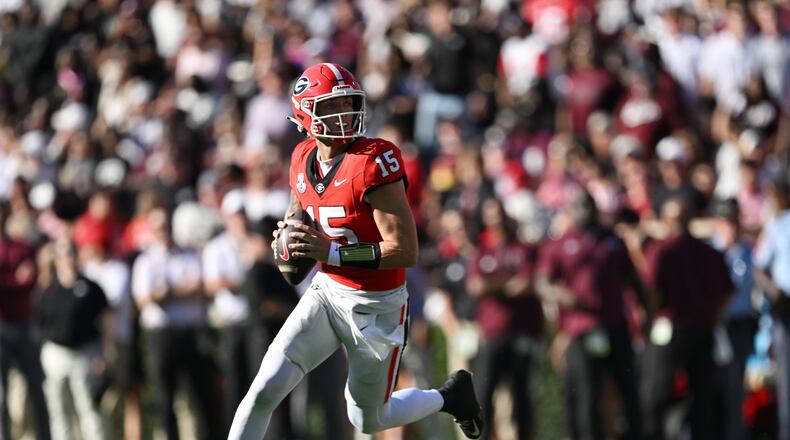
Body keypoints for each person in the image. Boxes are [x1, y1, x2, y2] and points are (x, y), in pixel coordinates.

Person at [229, 63, 483, 439]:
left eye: (348, 104)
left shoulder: (374, 161)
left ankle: (449, 398)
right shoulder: (301, 157)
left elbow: (405, 249)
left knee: (367, 419)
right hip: (327, 293)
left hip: (377, 306)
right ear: (305, 114)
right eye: (331, 107)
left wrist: (328, 252)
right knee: (264, 388)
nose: (344, 114)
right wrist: (286, 237)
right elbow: (297, 213)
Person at [536, 191, 644, 440]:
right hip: (580, 328)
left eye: (589, 205)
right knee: (585, 394)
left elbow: (631, 279)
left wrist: (644, 312)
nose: (586, 210)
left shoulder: (612, 240)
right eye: (580, 205)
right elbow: (542, 282)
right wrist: (562, 295)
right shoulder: (561, 242)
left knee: (628, 390)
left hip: (615, 324)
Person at [641, 197, 733, 440]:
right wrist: (713, 314)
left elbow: (652, 290)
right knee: (701, 397)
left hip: (671, 329)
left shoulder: (661, 250)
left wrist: (654, 315)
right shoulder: (709, 252)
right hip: (703, 328)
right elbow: (727, 290)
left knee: (656, 394)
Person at [0, 201, 50, 440]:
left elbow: (36, 277)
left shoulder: (25, 248)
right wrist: (15, 281)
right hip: (3, 326)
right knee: (2, 393)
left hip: (24, 324)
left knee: (36, 387)